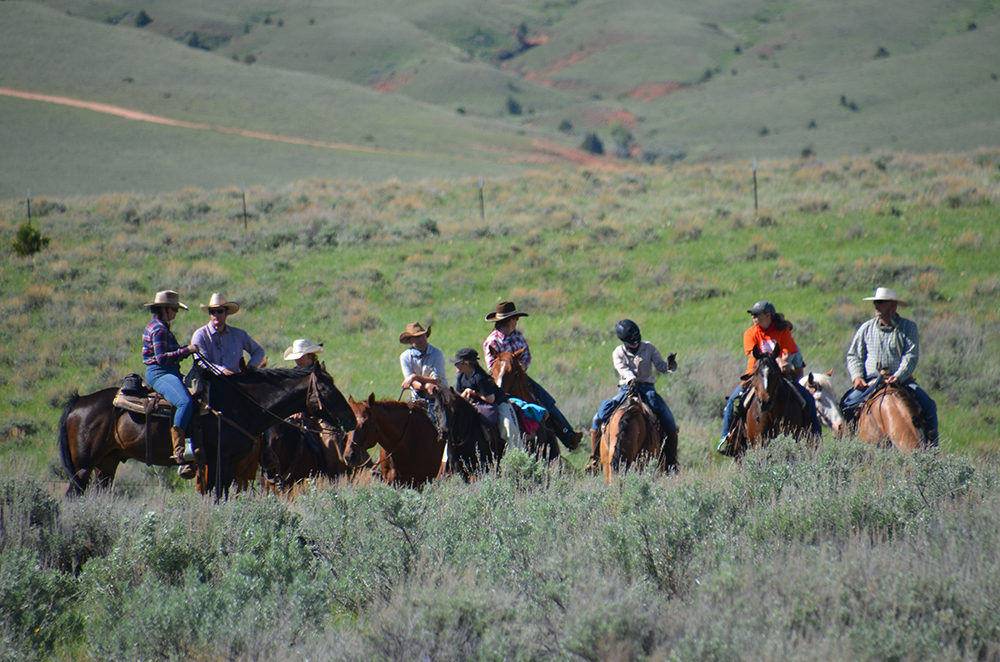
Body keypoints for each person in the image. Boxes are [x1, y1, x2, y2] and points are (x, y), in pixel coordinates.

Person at [841, 287, 938, 446]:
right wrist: (857, 376)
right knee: (846, 405)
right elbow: (854, 355)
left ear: (893, 305)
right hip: (870, 382)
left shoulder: (908, 327)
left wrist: (898, 376)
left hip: (901, 380)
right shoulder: (866, 328)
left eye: (880, 302)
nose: (876, 306)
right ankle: (845, 447)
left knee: (928, 406)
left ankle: (933, 449)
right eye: (875, 302)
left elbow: (911, 356)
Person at [719, 300, 822, 447]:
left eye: (756, 314)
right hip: (755, 375)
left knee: (808, 400)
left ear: (768, 315)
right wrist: (778, 361)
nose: (753, 317)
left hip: (779, 376)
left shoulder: (783, 331)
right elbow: (756, 356)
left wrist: (785, 361)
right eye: (752, 314)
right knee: (732, 402)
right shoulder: (750, 333)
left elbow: (787, 351)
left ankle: (815, 436)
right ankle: (727, 438)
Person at [482, 301, 583, 449]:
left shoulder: (517, 335)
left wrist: (521, 370)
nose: (517, 322)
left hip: (520, 377)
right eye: (516, 319)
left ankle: (567, 434)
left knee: (545, 400)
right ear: (511, 320)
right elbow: (492, 366)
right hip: (501, 380)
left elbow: (527, 356)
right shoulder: (492, 341)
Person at [587, 319, 679, 472]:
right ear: (623, 341)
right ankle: (594, 459)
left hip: (647, 388)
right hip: (626, 389)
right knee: (599, 416)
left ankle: (672, 461)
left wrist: (670, 365)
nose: (635, 344)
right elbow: (621, 369)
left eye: (637, 341)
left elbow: (661, 367)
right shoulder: (618, 352)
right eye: (631, 342)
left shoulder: (649, 347)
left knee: (667, 417)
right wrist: (631, 380)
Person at [141, 290, 198, 468]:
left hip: (168, 371)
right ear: (165, 309)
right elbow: (162, 358)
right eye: (174, 309)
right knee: (184, 402)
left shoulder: (160, 326)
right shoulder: (159, 329)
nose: (176, 313)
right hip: (161, 373)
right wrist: (187, 350)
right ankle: (179, 449)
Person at [451, 347, 522, 450]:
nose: (455, 365)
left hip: (499, 403)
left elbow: (491, 399)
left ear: (466, 364)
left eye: (457, 363)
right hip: (477, 404)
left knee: (508, 429)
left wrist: (473, 392)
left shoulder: (479, 377)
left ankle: (516, 453)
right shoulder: (461, 377)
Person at [191, 293, 265, 375]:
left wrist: (248, 369)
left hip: (236, 381)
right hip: (209, 381)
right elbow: (202, 362)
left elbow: (259, 351)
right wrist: (221, 371)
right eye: (212, 312)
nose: (216, 315)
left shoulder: (239, 334)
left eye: (220, 311)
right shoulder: (200, 335)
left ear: (227, 313)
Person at [399, 322, 449, 424]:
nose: (421, 340)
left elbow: (436, 380)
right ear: (410, 341)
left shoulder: (437, 354)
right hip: (417, 397)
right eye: (416, 338)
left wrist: (414, 376)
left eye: (422, 336)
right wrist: (425, 386)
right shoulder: (405, 357)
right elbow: (412, 383)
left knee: (440, 424)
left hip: (438, 396)